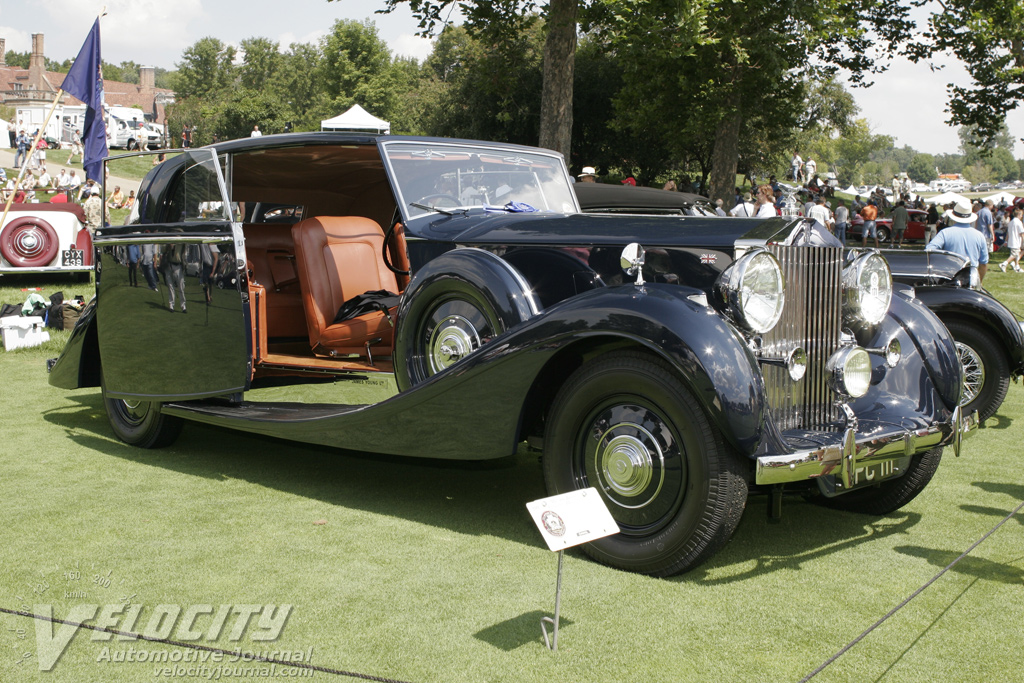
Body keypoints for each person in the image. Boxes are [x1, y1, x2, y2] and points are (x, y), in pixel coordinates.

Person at [927, 199, 989, 287]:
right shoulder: (979, 236)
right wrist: (979, 281)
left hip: (949, 276)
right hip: (970, 278)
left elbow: (929, 250)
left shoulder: (945, 233)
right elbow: (983, 264)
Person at [1000, 207, 1024, 273]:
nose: (1022, 216)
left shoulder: (1011, 222)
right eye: (1021, 215)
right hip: (1016, 241)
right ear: (1019, 215)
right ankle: (1004, 264)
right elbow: (1022, 233)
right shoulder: (1019, 222)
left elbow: (1008, 233)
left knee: (1015, 254)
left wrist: (1006, 241)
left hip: (1011, 240)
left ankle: (1017, 267)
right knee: (1014, 255)